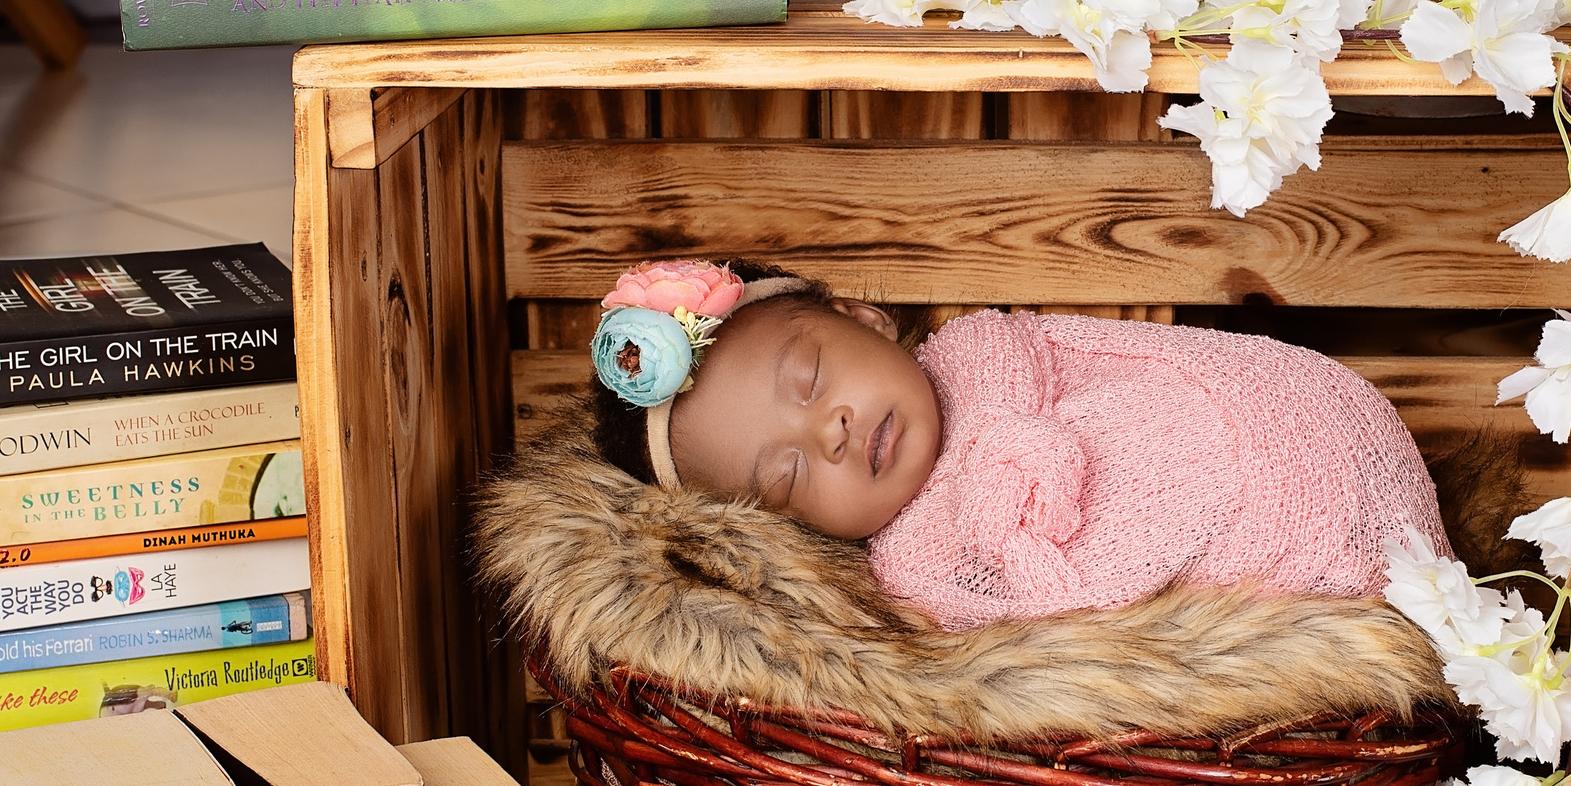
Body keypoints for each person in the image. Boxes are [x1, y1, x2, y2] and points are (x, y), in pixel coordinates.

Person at [584, 260, 1451, 630]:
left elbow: (1185, 372)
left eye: (810, 377)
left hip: (1317, 439)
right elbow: (1056, 664)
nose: (830, 430)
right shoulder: (919, 573)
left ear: (864, 317)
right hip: (1286, 610)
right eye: (789, 473)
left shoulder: (992, 347)